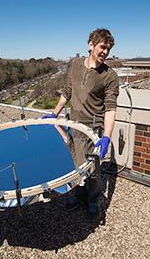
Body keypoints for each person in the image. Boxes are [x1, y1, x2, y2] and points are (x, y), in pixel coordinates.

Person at [43, 28, 119, 218]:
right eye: (103, 47)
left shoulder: (109, 76)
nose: (105, 52)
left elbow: (110, 108)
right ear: (91, 45)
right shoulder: (75, 64)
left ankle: (92, 200)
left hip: (93, 130)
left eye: (108, 49)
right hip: (74, 125)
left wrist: (107, 137)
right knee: (75, 164)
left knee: (92, 170)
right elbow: (67, 92)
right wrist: (54, 113)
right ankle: (77, 193)